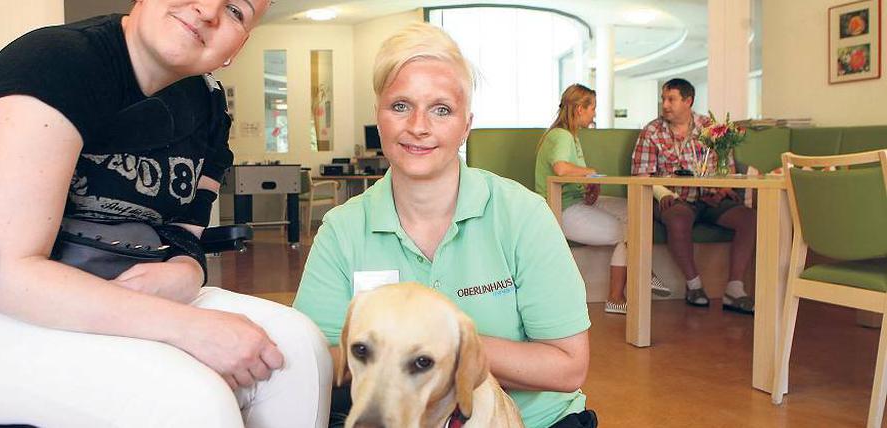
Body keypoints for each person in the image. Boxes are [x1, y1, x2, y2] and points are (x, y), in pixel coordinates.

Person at [0, 1, 331, 426]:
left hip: (119, 287)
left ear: (237, 46)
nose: (207, 10)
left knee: (297, 350)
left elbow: (184, 233)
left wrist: (185, 270)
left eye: (237, 10)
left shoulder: (207, 109)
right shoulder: (57, 62)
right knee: (188, 399)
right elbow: (5, 280)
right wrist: (186, 327)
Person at [293, 23, 595, 428]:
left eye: (441, 109)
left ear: (466, 125)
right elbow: (315, 360)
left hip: (536, 420)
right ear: (378, 116)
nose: (418, 125)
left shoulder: (523, 214)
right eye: (400, 105)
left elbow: (568, 367)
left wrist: (446, 345)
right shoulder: (343, 229)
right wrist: (381, 351)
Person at [534, 84, 670, 315]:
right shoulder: (562, 136)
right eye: (592, 108)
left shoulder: (569, 135)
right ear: (579, 109)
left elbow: (568, 172)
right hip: (561, 209)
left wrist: (587, 182)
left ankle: (633, 283)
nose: (594, 113)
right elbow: (561, 168)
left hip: (576, 201)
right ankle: (623, 291)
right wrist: (590, 172)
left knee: (635, 211)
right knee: (630, 232)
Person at [631, 78, 757, 314]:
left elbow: (727, 167)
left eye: (671, 99)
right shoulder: (651, 132)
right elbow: (641, 175)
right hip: (675, 199)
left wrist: (721, 189)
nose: (665, 104)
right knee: (678, 218)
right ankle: (694, 285)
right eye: (663, 99)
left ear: (688, 101)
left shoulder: (710, 128)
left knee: (749, 218)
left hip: (710, 199)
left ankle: (734, 288)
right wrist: (663, 193)